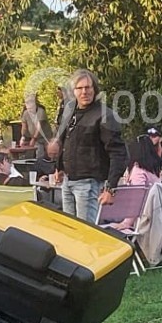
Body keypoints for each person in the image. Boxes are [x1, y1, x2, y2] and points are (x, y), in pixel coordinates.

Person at [55, 69, 127, 223]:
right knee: (69, 232)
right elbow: (66, 141)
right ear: (73, 91)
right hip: (68, 182)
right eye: (79, 88)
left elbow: (118, 153)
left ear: (94, 89)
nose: (84, 92)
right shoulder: (70, 113)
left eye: (88, 87)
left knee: (86, 234)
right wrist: (59, 167)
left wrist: (110, 188)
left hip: (89, 184)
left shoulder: (104, 115)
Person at [19, 93, 52, 159]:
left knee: (48, 154)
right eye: (27, 103)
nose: (29, 105)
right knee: (36, 153)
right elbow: (24, 127)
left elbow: (39, 127)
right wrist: (23, 137)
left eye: (30, 102)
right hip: (35, 138)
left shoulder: (41, 111)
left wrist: (33, 139)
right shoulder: (25, 113)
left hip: (45, 137)